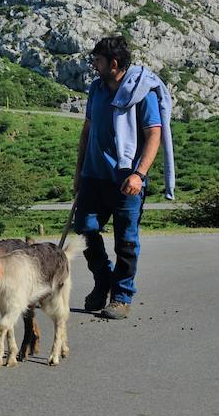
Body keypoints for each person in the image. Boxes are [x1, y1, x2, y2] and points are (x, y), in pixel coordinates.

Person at [74, 35, 174, 320]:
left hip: (126, 179)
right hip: (94, 175)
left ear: (113, 63)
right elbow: (87, 130)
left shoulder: (143, 93)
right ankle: (103, 281)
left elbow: (153, 135)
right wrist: (79, 171)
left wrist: (139, 175)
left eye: (98, 60)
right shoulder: (96, 89)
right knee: (85, 229)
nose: (94, 65)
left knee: (126, 241)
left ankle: (121, 296)